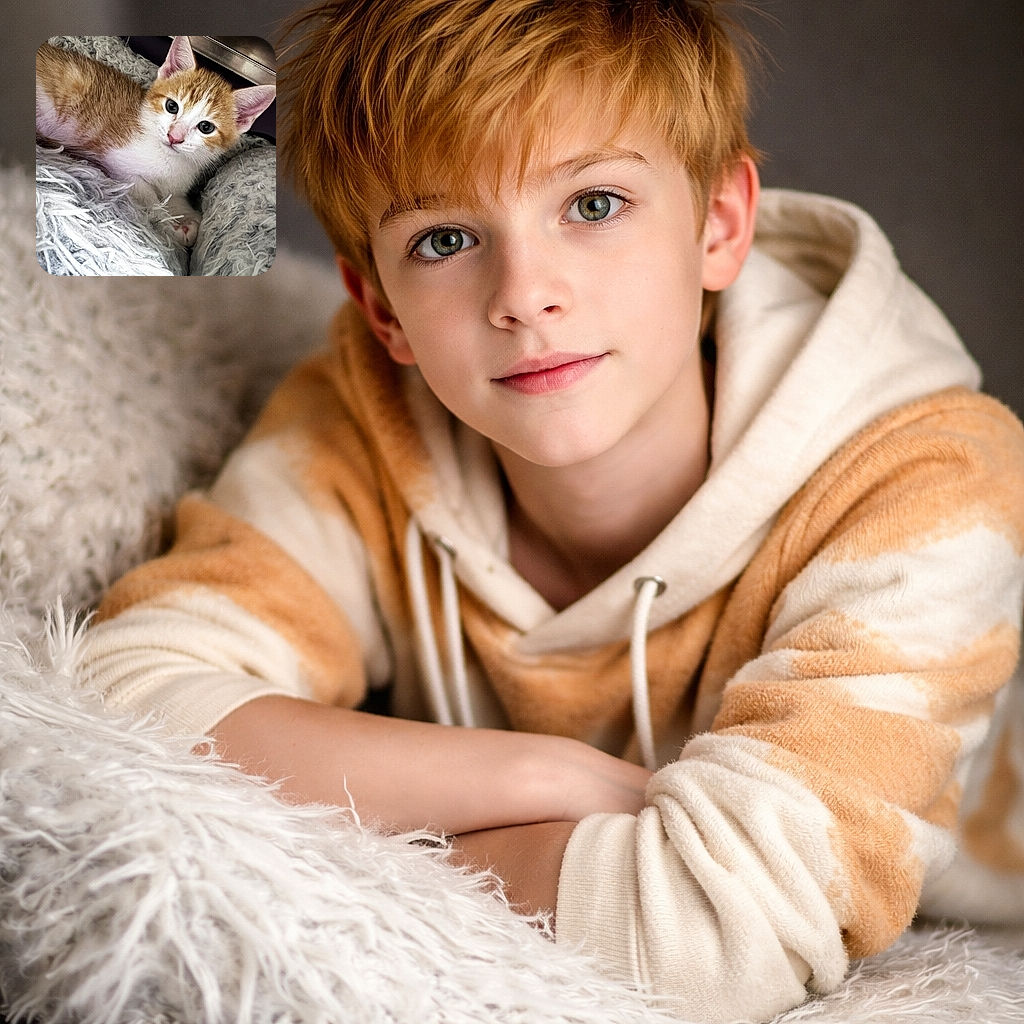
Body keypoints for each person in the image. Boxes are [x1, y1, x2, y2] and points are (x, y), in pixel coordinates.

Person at [81, 1, 1024, 1019]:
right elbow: (121, 707)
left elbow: (720, 938)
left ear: (719, 223)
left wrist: (367, 854)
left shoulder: (929, 474)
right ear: (381, 306)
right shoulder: (359, 423)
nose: (525, 295)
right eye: (445, 237)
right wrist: (546, 775)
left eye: (593, 204)